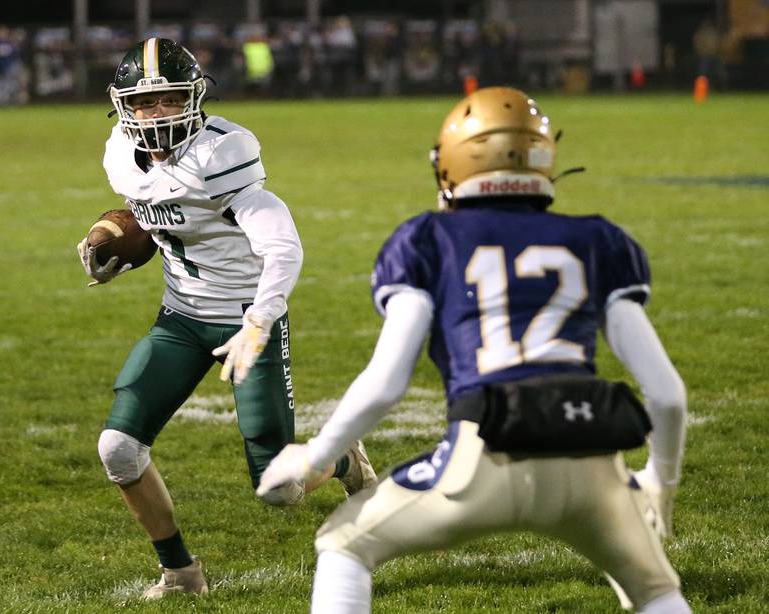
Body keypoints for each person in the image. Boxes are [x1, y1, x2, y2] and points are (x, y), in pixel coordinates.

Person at [258, 87, 692, 613]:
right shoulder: (599, 239)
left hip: (481, 455)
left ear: (454, 163)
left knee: (343, 545)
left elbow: (387, 381)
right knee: (656, 592)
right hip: (592, 457)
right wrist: (659, 485)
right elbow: (666, 395)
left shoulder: (428, 238)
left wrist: (314, 457)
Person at [76, 38, 376, 600]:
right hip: (182, 318)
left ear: (193, 97)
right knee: (118, 448)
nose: (155, 113)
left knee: (278, 489)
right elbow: (152, 218)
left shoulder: (222, 153)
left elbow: (282, 247)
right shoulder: (121, 152)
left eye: (167, 99)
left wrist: (260, 322)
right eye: (143, 103)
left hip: (247, 320)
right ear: (123, 108)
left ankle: (339, 460)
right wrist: (107, 242)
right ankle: (181, 575)